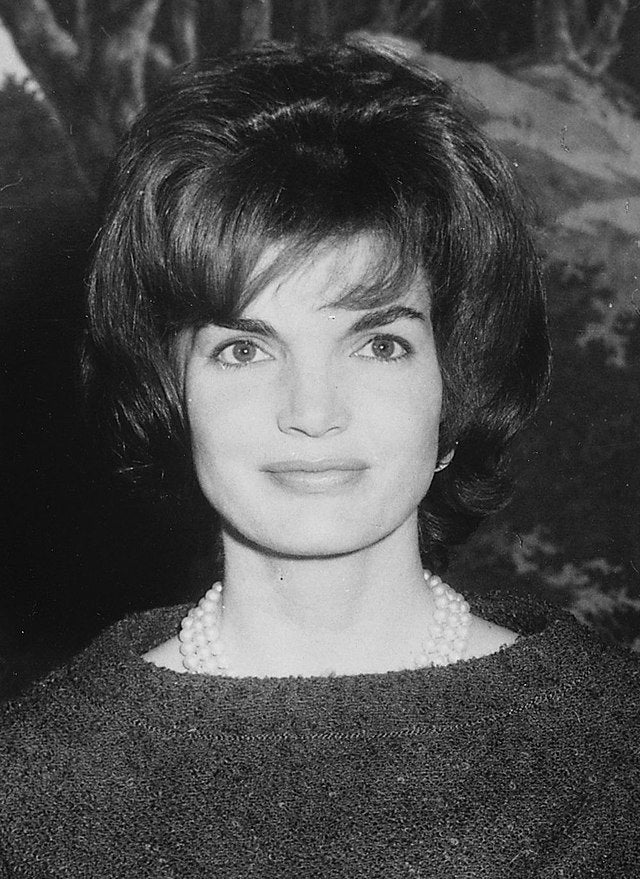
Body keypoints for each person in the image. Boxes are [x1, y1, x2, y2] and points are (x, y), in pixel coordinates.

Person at [1, 41, 638, 878]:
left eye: (378, 343)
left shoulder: (611, 748)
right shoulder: (42, 783)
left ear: (456, 380)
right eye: (243, 349)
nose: (311, 412)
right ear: (169, 391)